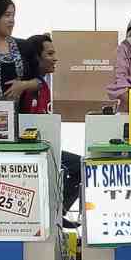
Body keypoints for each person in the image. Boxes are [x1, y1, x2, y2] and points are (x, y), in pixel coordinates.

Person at [19, 34, 81, 220]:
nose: (55, 58)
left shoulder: (42, 84)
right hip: (31, 153)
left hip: (47, 148)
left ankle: (58, 213)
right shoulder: (28, 86)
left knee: (79, 166)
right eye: (50, 53)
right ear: (36, 57)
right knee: (78, 167)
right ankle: (56, 214)